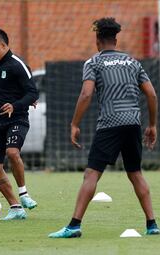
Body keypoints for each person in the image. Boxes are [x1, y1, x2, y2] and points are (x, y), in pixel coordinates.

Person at [49, 17, 159, 238]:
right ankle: (152, 224)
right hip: (133, 124)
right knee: (136, 173)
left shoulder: (94, 62)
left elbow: (86, 94)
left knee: (91, 174)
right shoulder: (133, 62)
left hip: (110, 124)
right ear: (115, 40)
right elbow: (152, 94)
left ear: (98, 40)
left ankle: (73, 226)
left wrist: (74, 124)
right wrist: (153, 125)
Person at [0, 28, 39, 220]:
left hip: (17, 118)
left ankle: (24, 194)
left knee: (12, 152)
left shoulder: (18, 65)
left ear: (4, 45)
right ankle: (16, 208)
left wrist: (15, 106)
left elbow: (33, 93)